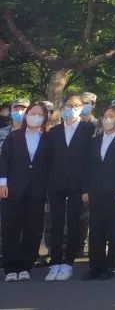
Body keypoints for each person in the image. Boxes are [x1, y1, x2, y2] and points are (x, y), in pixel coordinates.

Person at [0, 100, 52, 281]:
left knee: (33, 227)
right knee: (10, 226)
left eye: (39, 114)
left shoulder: (48, 138)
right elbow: (4, 160)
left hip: (37, 189)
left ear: (45, 118)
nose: (35, 117)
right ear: (26, 116)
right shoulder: (14, 136)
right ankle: (10, 266)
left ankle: (25, 265)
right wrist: (2, 183)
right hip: (14, 188)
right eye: (32, 113)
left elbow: (51, 164)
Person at [44, 92, 93, 282]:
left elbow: (90, 161)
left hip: (77, 184)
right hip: (56, 183)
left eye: (76, 105)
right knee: (56, 223)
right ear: (63, 107)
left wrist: (86, 187)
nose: (72, 109)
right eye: (69, 105)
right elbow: (48, 159)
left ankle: (68, 262)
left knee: (74, 223)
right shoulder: (54, 131)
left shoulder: (88, 129)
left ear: (83, 108)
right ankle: (55, 261)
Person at [82, 104, 115, 280]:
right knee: (96, 229)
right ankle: (95, 266)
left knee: (113, 229)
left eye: (111, 116)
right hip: (96, 190)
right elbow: (88, 167)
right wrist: (85, 189)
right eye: (105, 116)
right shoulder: (95, 140)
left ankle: (110, 265)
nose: (107, 119)